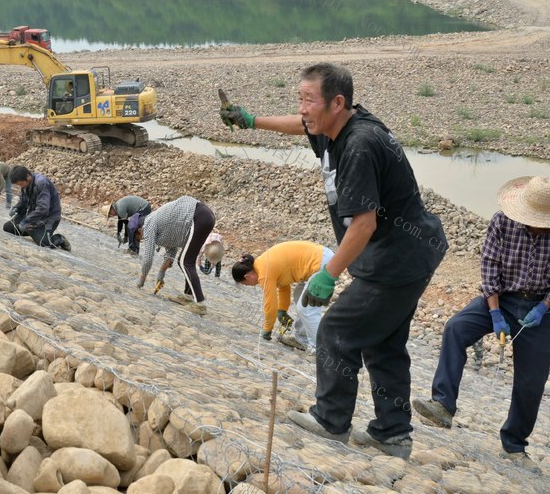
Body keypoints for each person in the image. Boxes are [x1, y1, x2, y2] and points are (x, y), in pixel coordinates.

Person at [220, 62, 447, 458]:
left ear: (337, 103)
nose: (303, 108)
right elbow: (298, 124)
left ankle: (331, 420)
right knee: (384, 344)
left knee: (335, 332)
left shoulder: (359, 144)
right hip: (407, 253)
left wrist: (328, 274)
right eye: (300, 98)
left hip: (398, 258)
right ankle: (391, 434)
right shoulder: (331, 127)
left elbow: (363, 224)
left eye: (309, 100)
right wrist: (252, 120)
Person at [413, 176, 550, 472]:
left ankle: (514, 444)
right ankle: (443, 404)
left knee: (532, 381)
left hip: (538, 309)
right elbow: (489, 266)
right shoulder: (503, 222)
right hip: (500, 298)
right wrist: (494, 313)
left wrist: (544, 308)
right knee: (456, 329)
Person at [231, 241, 335, 353]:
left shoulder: (263, 273)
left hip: (321, 262)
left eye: (246, 284)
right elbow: (284, 286)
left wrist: (267, 329)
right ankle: (302, 340)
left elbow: (270, 305)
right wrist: (282, 311)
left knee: (306, 309)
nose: (250, 286)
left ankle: (320, 350)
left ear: (247, 277)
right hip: (320, 258)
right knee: (299, 296)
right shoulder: (261, 264)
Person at [135, 195, 216, 316]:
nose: (142, 239)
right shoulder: (159, 225)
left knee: (185, 262)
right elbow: (171, 250)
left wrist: (141, 281)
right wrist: (161, 275)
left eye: (138, 238)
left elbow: (148, 258)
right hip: (205, 216)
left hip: (199, 216)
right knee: (186, 260)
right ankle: (188, 296)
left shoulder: (148, 224)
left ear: (139, 230)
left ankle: (200, 304)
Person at [4, 166, 71, 252]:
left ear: (28, 176)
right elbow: (23, 201)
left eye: (20, 184)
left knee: (44, 243)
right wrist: (16, 208)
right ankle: (32, 230)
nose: (20, 186)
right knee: (8, 227)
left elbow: (43, 208)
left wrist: (26, 221)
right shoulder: (26, 184)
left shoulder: (41, 183)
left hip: (49, 218)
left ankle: (60, 239)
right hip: (33, 216)